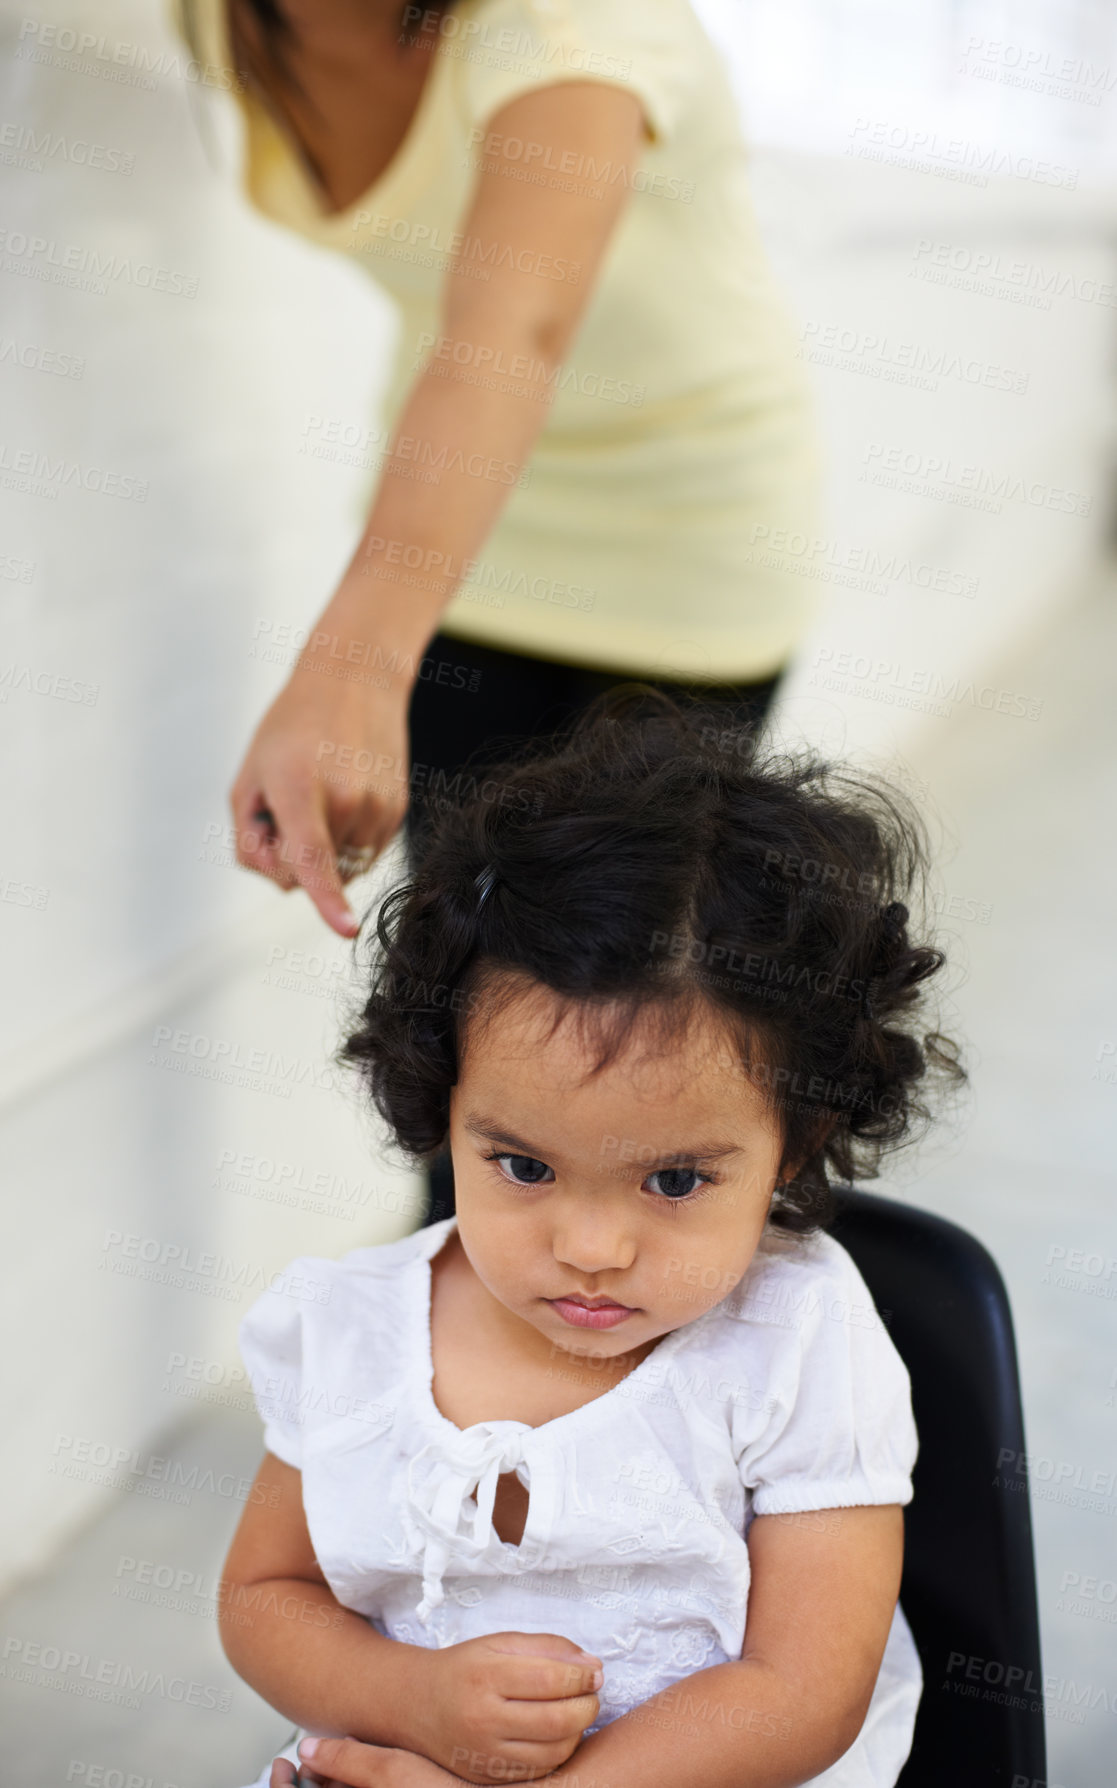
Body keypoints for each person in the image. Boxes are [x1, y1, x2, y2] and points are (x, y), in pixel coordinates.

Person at [218, 691, 964, 1788]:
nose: (592, 1247)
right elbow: (262, 1598)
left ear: (795, 1142)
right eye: (522, 1166)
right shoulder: (348, 1329)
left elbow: (804, 1691)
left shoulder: (797, 1335)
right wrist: (412, 1700)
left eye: (673, 1179)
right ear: (444, 1103)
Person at [172, 0, 822, 937]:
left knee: (611, 984)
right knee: (457, 963)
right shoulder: (219, 16)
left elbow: (507, 337)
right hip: (461, 540)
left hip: (679, 536)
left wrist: (351, 666)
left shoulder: (570, 22)